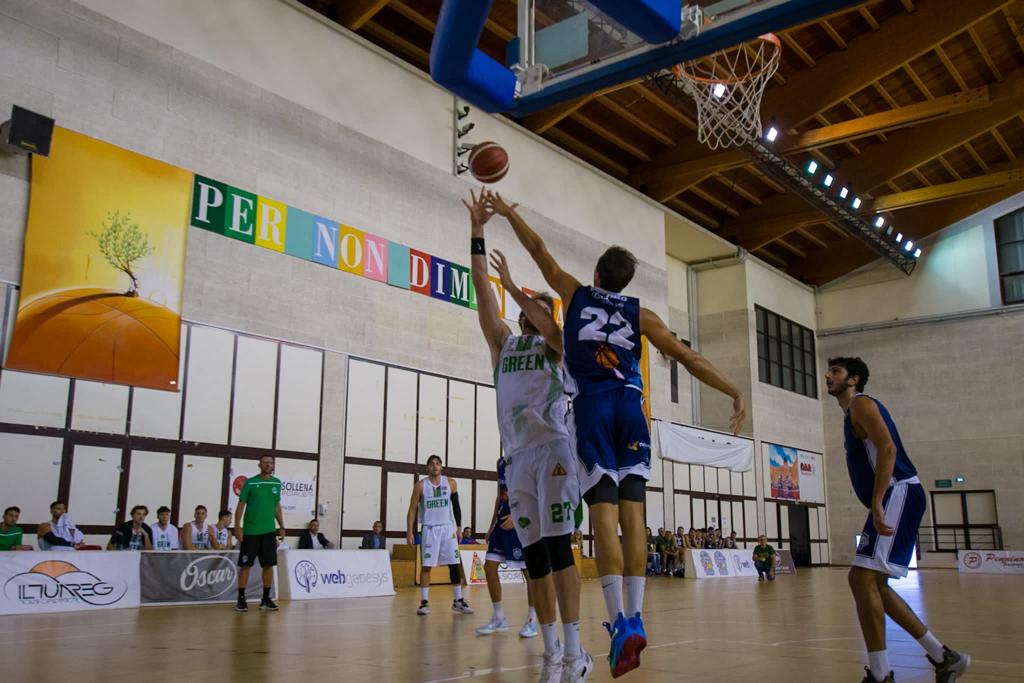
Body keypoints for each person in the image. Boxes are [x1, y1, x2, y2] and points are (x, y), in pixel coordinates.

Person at [488, 190, 744, 678]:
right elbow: (687, 358)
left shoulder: (576, 294)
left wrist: (508, 214)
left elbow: (540, 251)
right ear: (625, 282)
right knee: (635, 514)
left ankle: (617, 620)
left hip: (594, 409)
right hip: (632, 406)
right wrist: (733, 390)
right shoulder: (641, 315)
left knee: (603, 515)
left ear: (597, 274)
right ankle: (638, 611)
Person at [466, 189, 590, 682]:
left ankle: (578, 652)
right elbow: (481, 288)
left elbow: (545, 317)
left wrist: (520, 287)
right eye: (523, 305)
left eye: (539, 306)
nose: (527, 309)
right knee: (533, 560)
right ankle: (552, 652)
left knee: (560, 551)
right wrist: (477, 232)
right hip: (516, 459)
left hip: (555, 452)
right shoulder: (504, 343)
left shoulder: (557, 345)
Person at [825, 357, 969, 683]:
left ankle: (880, 675)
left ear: (855, 378)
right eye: (829, 371)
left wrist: (877, 501)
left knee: (861, 579)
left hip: (898, 491)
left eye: (835, 371)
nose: (828, 376)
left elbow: (887, 448)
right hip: (894, 495)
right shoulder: (851, 413)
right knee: (872, 583)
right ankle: (944, 657)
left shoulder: (862, 404)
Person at [476, 457, 539, 640]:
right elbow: (500, 495)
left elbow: (535, 493)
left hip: (522, 522)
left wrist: (518, 516)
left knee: (529, 573)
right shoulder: (501, 463)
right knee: (489, 567)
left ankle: (531, 620)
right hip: (501, 522)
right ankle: (499, 617)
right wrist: (491, 525)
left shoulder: (528, 458)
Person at [406, 454, 473, 617]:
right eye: (431, 464)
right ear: (427, 468)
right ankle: (424, 602)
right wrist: (409, 531)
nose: (435, 466)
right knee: (427, 566)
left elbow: (456, 506)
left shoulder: (450, 482)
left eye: (438, 463)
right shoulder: (421, 486)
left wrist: (458, 527)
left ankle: (458, 601)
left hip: (447, 529)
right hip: (429, 529)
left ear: (441, 467)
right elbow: (412, 509)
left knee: (454, 563)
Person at [234, 454, 285, 613]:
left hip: (269, 531)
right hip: (251, 531)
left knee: (268, 565)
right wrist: (237, 526)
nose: (268, 464)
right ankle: (241, 599)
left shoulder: (276, 483)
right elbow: (241, 505)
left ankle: (266, 599)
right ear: (260, 465)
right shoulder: (250, 482)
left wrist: (282, 525)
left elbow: (277, 506)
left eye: (271, 462)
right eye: (265, 462)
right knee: (245, 565)